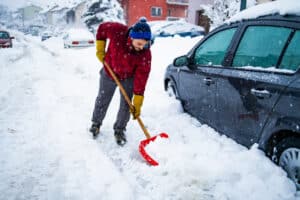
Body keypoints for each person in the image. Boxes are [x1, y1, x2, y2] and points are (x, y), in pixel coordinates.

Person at [90, 17, 152, 146]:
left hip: (128, 77)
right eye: (139, 44)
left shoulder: (145, 54)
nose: (142, 47)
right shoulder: (117, 31)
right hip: (109, 71)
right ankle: (96, 123)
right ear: (132, 37)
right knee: (103, 98)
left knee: (126, 105)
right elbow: (102, 28)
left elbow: (142, 76)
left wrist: (138, 100)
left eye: (145, 44)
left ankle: (120, 129)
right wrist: (100, 48)